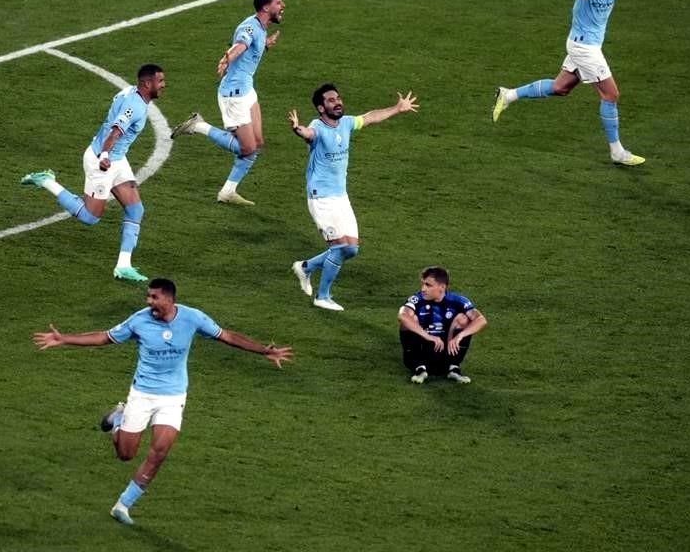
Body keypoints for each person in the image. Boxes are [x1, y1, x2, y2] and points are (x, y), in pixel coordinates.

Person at [31, 278, 293, 526]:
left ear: (168, 299)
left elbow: (227, 336)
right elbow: (104, 337)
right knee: (126, 454)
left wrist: (264, 350)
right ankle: (118, 419)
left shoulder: (193, 317)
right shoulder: (139, 321)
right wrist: (64, 338)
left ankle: (123, 505)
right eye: (148, 296)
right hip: (142, 395)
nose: (148, 301)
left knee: (159, 453)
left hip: (173, 396)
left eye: (153, 297)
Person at [492, 0, 690, 165]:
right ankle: (617, 152)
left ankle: (509, 94)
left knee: (560, 88)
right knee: (611, 94)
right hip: (583, 46)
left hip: (586, 44)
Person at [21, 64, 167, 282]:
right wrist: (105, 155)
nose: (163, 85)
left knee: (135, 209)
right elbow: (115, 131)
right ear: (147, 84)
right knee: (90, 217)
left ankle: (123, 266)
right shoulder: (134, 106)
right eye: (160, 81)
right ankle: (47, 181)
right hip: (102, 162)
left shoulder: (131, 93)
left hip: (116, 159)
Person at [288, 83, 419, 311]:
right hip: (321, 198)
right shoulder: (317, 126)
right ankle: (322, 296)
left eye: (338, 98)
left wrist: (397, 109)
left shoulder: (346, 123)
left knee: (351, 249)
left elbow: (369, 117)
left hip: (340, 196)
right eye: (331, 100)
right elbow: (308, 135)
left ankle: (306, 267)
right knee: (340, 248)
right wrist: (297, 128)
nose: (337, 102)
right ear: (321, 108)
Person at [170, 0, 285, 206]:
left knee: (258, 143)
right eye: (278, 3)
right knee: (247, 148)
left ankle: (227, 192)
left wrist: (265, 45)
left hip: (247, 90)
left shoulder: (260, 27)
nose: (283, 6)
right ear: (265, 7)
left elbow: (250, 48)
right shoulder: (250, 27)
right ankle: (198, 126)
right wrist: (227, 59)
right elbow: (240, 45)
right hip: (234, 96)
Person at [398, 267, 486, 384]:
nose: (423, 289)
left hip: (444, 355)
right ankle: (419, 368)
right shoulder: (416, 299)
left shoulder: (458, 300)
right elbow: (402, 316)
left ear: (442, 287)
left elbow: (481, 320)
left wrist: (460, 336)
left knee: (463, 319)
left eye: (428, 285)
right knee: (410, 319)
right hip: (419, 355)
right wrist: (429, 336)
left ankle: (453, 368)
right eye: (423, 284)